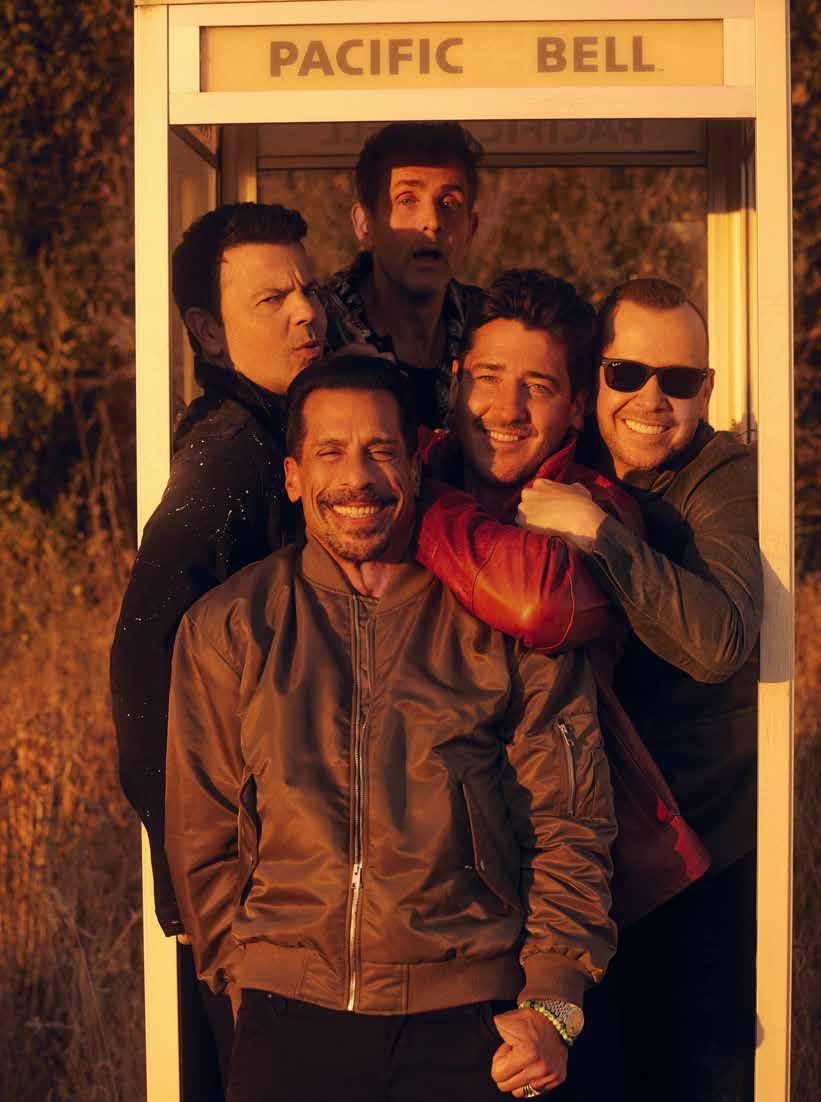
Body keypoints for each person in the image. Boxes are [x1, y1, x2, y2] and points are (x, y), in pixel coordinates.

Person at [165, 356, 618, 1102]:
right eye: (330, 452)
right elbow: (202, 834)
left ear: (414, 463)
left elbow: (570, 818)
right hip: (287, 1021)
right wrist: (246, 984)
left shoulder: (502, 622)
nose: (357, 478)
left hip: (473, 1023)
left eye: (379, 450)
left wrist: (552, 1002)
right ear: (293, 477)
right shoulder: (230, 628)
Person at [413, 269, 710, 1099]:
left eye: (537, 387)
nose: (505, 408)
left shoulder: (596, 506)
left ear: (575, 408)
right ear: (456, 381)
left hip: (561, 890)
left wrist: (413, 505)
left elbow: (536, 601)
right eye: (487, 377)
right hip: (427, 892)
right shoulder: (418, 461)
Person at [515, 277, 762, 1101]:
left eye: (678, 380)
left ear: (707, 390)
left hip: (698, 853)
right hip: (578, 854)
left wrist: (597, 533)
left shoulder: (721, 477)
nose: (651, 400)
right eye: (626, 374)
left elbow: (718, 644)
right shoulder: (563, 459)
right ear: (593, 376)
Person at [110, 201, 327, 1095]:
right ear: (206, 331)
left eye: (308, 289)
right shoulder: (230, 458)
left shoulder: (281, 430)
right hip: (253, 894)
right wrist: (204, 893)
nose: (305, 313)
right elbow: (141, 668)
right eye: (271, 299)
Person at [324, 121, 482, 425]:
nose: (432, 222)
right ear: (364, 224)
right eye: (407, 200)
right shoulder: (318, 330)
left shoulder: (487, 327)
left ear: (470, 229)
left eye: (449, 203)